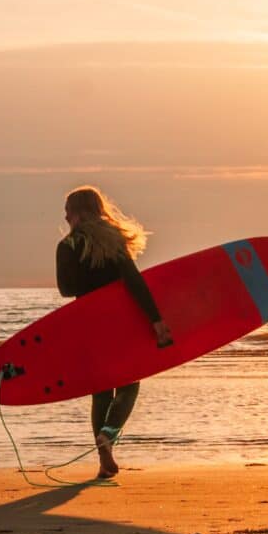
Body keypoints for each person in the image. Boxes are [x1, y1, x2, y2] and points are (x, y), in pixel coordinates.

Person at [58, 186, 172, 479]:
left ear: (80, 212)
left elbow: (65, 289)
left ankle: (102, 458)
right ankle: (109, 433)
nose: (65, 215)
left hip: (89, 324)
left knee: (100, 391)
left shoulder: (67, 246)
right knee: (129, 384)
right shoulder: (113, 243)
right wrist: (156, 320)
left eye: (68, 209)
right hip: (120, 323)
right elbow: (135, 282)